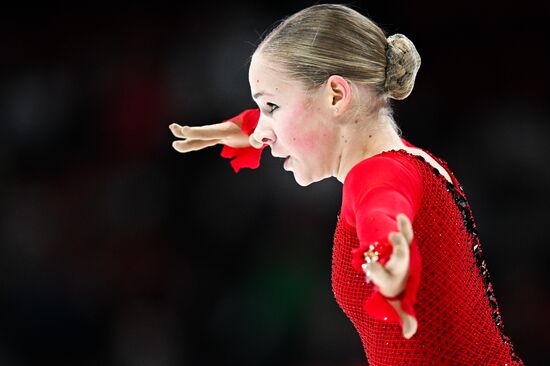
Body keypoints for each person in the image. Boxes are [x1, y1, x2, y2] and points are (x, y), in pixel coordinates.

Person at [169, 4, 524, 365]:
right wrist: (230, 129)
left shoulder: (378, 174)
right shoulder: (409, 161)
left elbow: (382, 208)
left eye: (271, 106)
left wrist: (386, 254)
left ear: (336, 96)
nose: (262, 132)